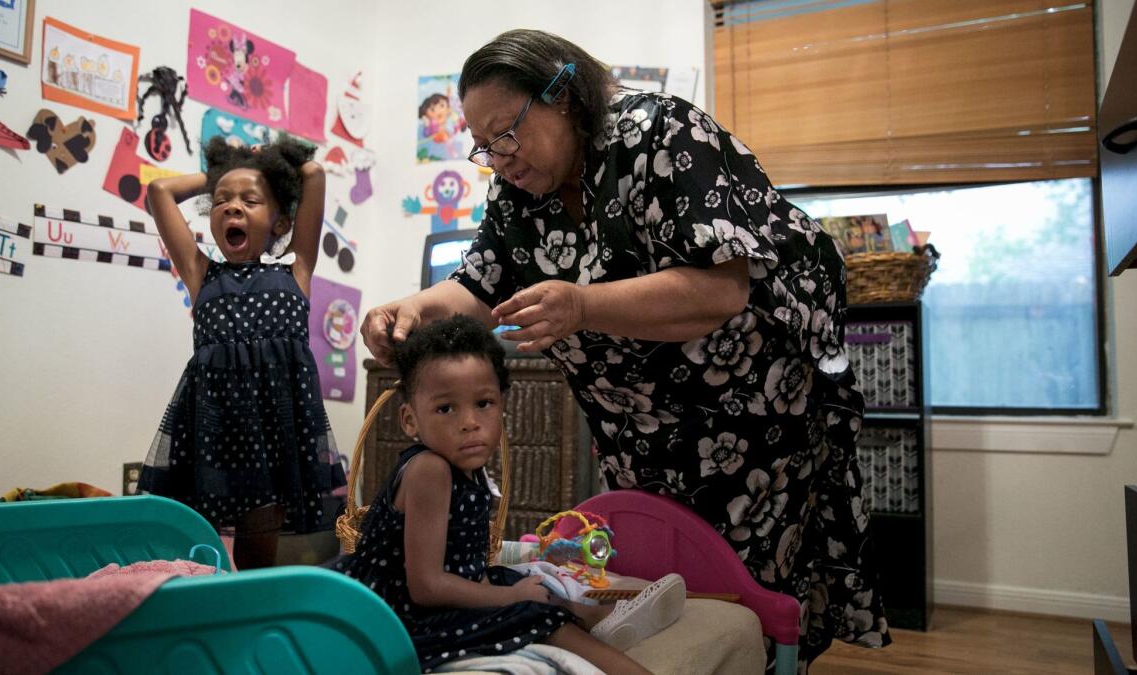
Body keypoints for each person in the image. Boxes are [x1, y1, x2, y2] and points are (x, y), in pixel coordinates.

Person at [360, 29, 890, 669]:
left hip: (751, 410)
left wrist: (582, 304)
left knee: (749, 586)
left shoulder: (659, 134)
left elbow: (720, 286)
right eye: (483, 146)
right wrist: (412, 307)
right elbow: (478, 283)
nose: (498, 157)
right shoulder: (517, 191)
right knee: (652, 566)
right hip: (637, 423)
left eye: (507, 133)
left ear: (564, 94)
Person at [337, 315, 685, 673]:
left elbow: (465, 561)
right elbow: (426, 586)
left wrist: (506, 589)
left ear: (502, 405)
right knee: (529, 609)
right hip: (398, 617)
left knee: (528, 583)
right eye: (445, 408)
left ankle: (599, 617)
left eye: (483, 403)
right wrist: (509, 598)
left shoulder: (465, 469)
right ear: (410, 420)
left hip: (447, 592)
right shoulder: (430, 470)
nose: (469, 421)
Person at [139, 135, 339, 536]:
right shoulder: (201, 273)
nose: (232, 205)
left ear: (279, 223)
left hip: (278, 426)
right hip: (216, 426)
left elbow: (314, 173)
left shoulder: (296, 271)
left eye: (250, 201)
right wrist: (219, 172)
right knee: (202, 527)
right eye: (221, 200)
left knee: (260, 530)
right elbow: (160, 190)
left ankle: (252, 590)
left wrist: (267, 164)